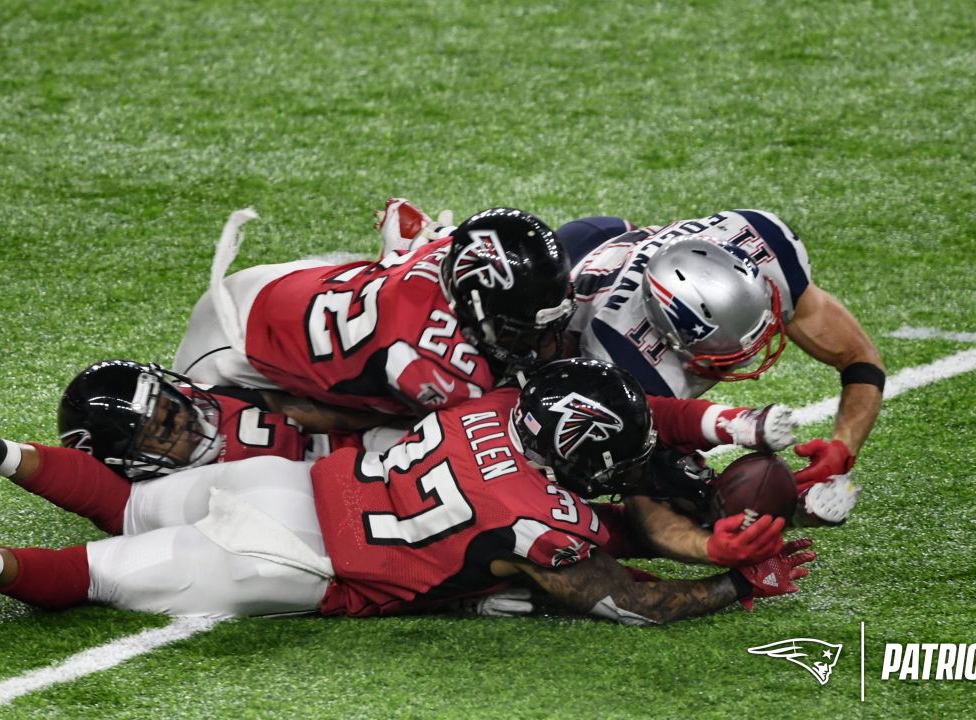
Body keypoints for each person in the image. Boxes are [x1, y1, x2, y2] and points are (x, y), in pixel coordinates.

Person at [0, 359, 813, 624]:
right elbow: (628, 601)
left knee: (131, 507)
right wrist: (738, 586)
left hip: (286, 482)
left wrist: (699, 544)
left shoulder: (492, 405)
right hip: (295, 564)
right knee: (97, 574)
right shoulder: (543, 519)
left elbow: (600, 506)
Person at [372, 201, 880, 524]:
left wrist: (842, 448)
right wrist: (777, 507)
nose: (746, 357)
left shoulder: (760, 244)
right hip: (583, 288)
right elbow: (654, 492)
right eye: (724, 357)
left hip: (616, 244)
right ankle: (432, 249)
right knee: (507, 400)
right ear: (672, 336)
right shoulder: (626, 358)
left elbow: (859, 357)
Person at [172, 207, 576, 416]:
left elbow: (409, 224)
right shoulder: (434, 368)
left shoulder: (452, 254)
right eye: (519, 330)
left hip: (284, 285)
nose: (540, 342)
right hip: (234, 343)